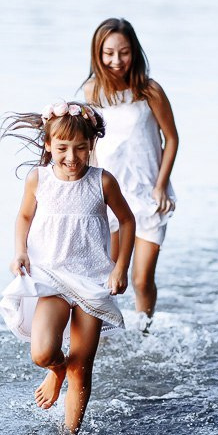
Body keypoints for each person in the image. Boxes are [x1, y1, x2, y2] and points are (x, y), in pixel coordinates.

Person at [0, 101, 135, 433]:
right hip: (50, 277)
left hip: (92, 280)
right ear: (48, 145)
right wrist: (20, 252)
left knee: (82, 367)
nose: (71, 157)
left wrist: (120, 269)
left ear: (92, 146)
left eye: (81, 148)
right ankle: (56, 370)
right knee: (43, 352)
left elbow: (127, 221)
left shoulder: (102, 182)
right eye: (62, 148)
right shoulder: (38, 179)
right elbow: (24, 216)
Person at [82, 17, 179, 330]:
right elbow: (91, 145)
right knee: (105, 273)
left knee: (140, 278)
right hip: (112, 197)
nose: (116, 60)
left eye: (123, 52)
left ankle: (144, 332)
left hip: (149, 194)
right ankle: (100, 334)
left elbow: (172, 138)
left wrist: (161, 186)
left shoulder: (150, 91)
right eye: (108, 53)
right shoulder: (93, 91)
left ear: (134, 52)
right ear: (98, 54)